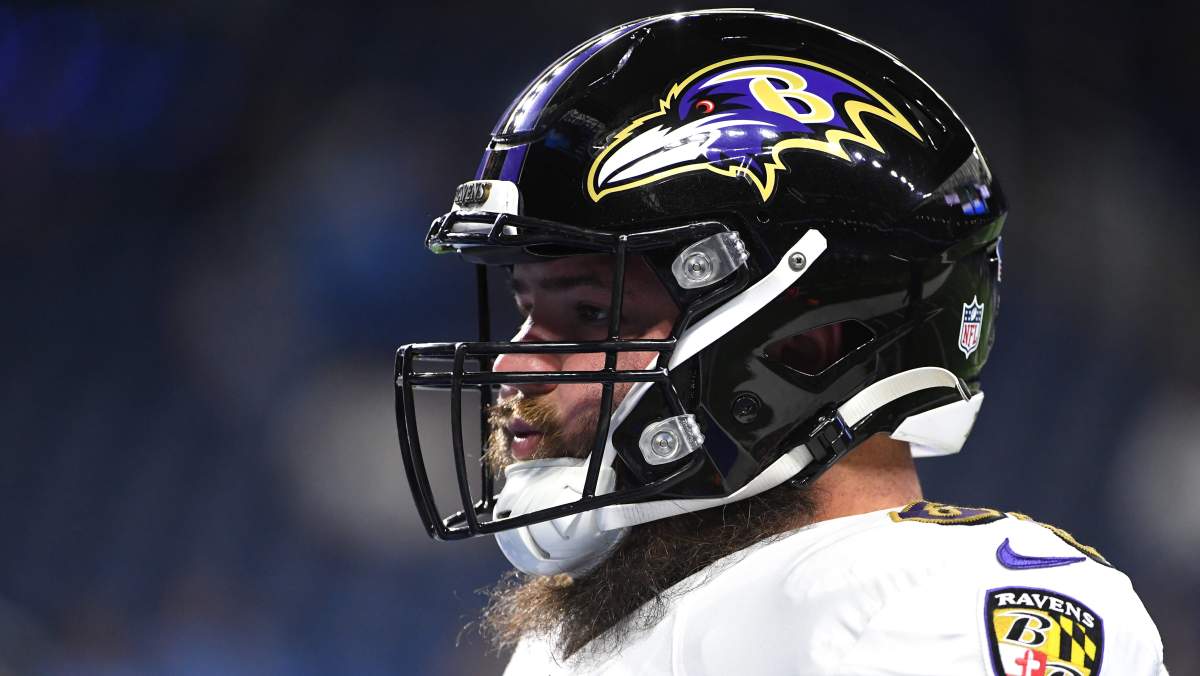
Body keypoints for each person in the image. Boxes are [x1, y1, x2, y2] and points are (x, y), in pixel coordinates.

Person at [393, 9, 1167, 675]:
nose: (514, 363)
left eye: (591, 313)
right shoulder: (583, 631)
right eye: (526, 310)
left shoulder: (925, 603)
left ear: (803, 346)